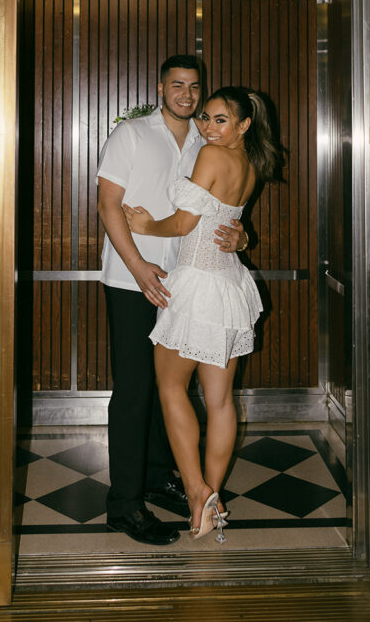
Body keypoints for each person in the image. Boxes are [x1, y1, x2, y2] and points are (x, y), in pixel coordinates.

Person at [96, 56, 247, 546]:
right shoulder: (132, 135)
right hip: (134, 277)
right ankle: (124, 504)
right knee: (138, 389)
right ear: (161, 87)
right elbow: (107, 204)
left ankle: (165, 475)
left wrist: (242, 237)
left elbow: (217, 209)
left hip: (186, 282)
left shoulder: (207, 140)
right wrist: (138, 266)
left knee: (173, 388)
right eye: (177, 85)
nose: (186, 95)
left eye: (194, 88)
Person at [123, 86, 282, 542]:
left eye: (219, 120)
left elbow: (183, 224)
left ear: (243, 125)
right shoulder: (250, 164)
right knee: (219, 400)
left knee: (171, 387)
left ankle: (196, 492)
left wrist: (144, 224)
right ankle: (212, 499)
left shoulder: (212, 157)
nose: (208, 127)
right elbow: (227, 223)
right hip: (229, 285)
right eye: (206, 118)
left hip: (197, 283)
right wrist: (244, 239)